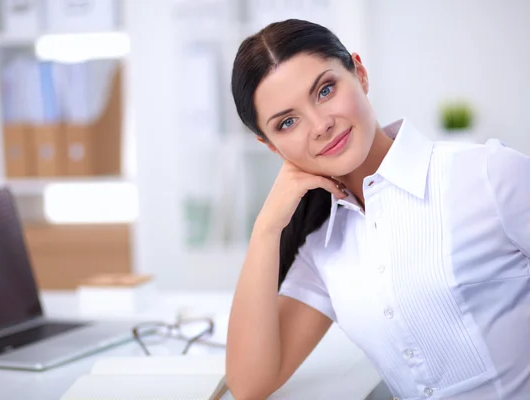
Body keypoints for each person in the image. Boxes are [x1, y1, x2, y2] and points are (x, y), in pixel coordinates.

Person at [225, 18, 530, 400]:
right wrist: (267, 227)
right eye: (288, 122)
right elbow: (249, 383)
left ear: (360, 74)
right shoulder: (323, 247)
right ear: (271, 147)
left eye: (325, 90)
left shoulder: (487, 173)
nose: (320, 125)